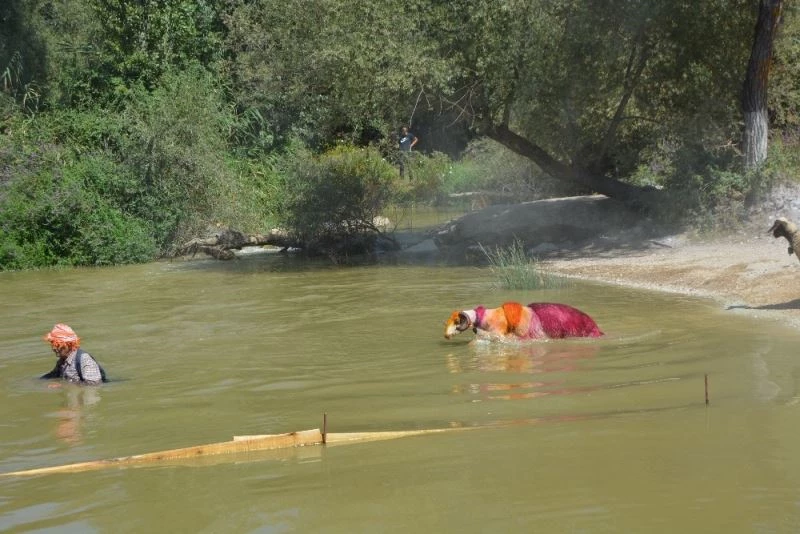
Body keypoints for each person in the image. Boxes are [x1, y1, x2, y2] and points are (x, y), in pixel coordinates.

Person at [41, 323, 106, 385]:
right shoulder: (62, 361)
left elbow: (94, 385)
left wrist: (62, 385)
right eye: (53, 345)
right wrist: (37, 381)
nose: (54, 348)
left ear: (69, 345)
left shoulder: (84, 359)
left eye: (58, 345)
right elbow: (52, 375)